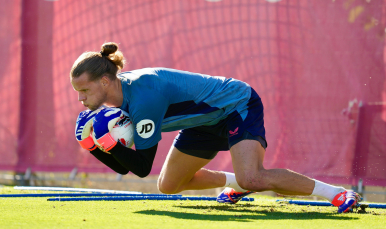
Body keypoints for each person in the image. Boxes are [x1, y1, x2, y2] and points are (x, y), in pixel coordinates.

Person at [71, 42, 360, 213]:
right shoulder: (116, 101)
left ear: (105, 82)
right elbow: (125, 166)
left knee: (254, 178)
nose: (81, 98)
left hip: (235, 104)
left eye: (84, 90)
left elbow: (142, 166)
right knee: (169, 186)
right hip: (201, 122)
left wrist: (107, 144)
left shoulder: (143, 99)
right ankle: (236, 184)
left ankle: (336, 193)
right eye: (78, 92)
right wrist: (93, 147)